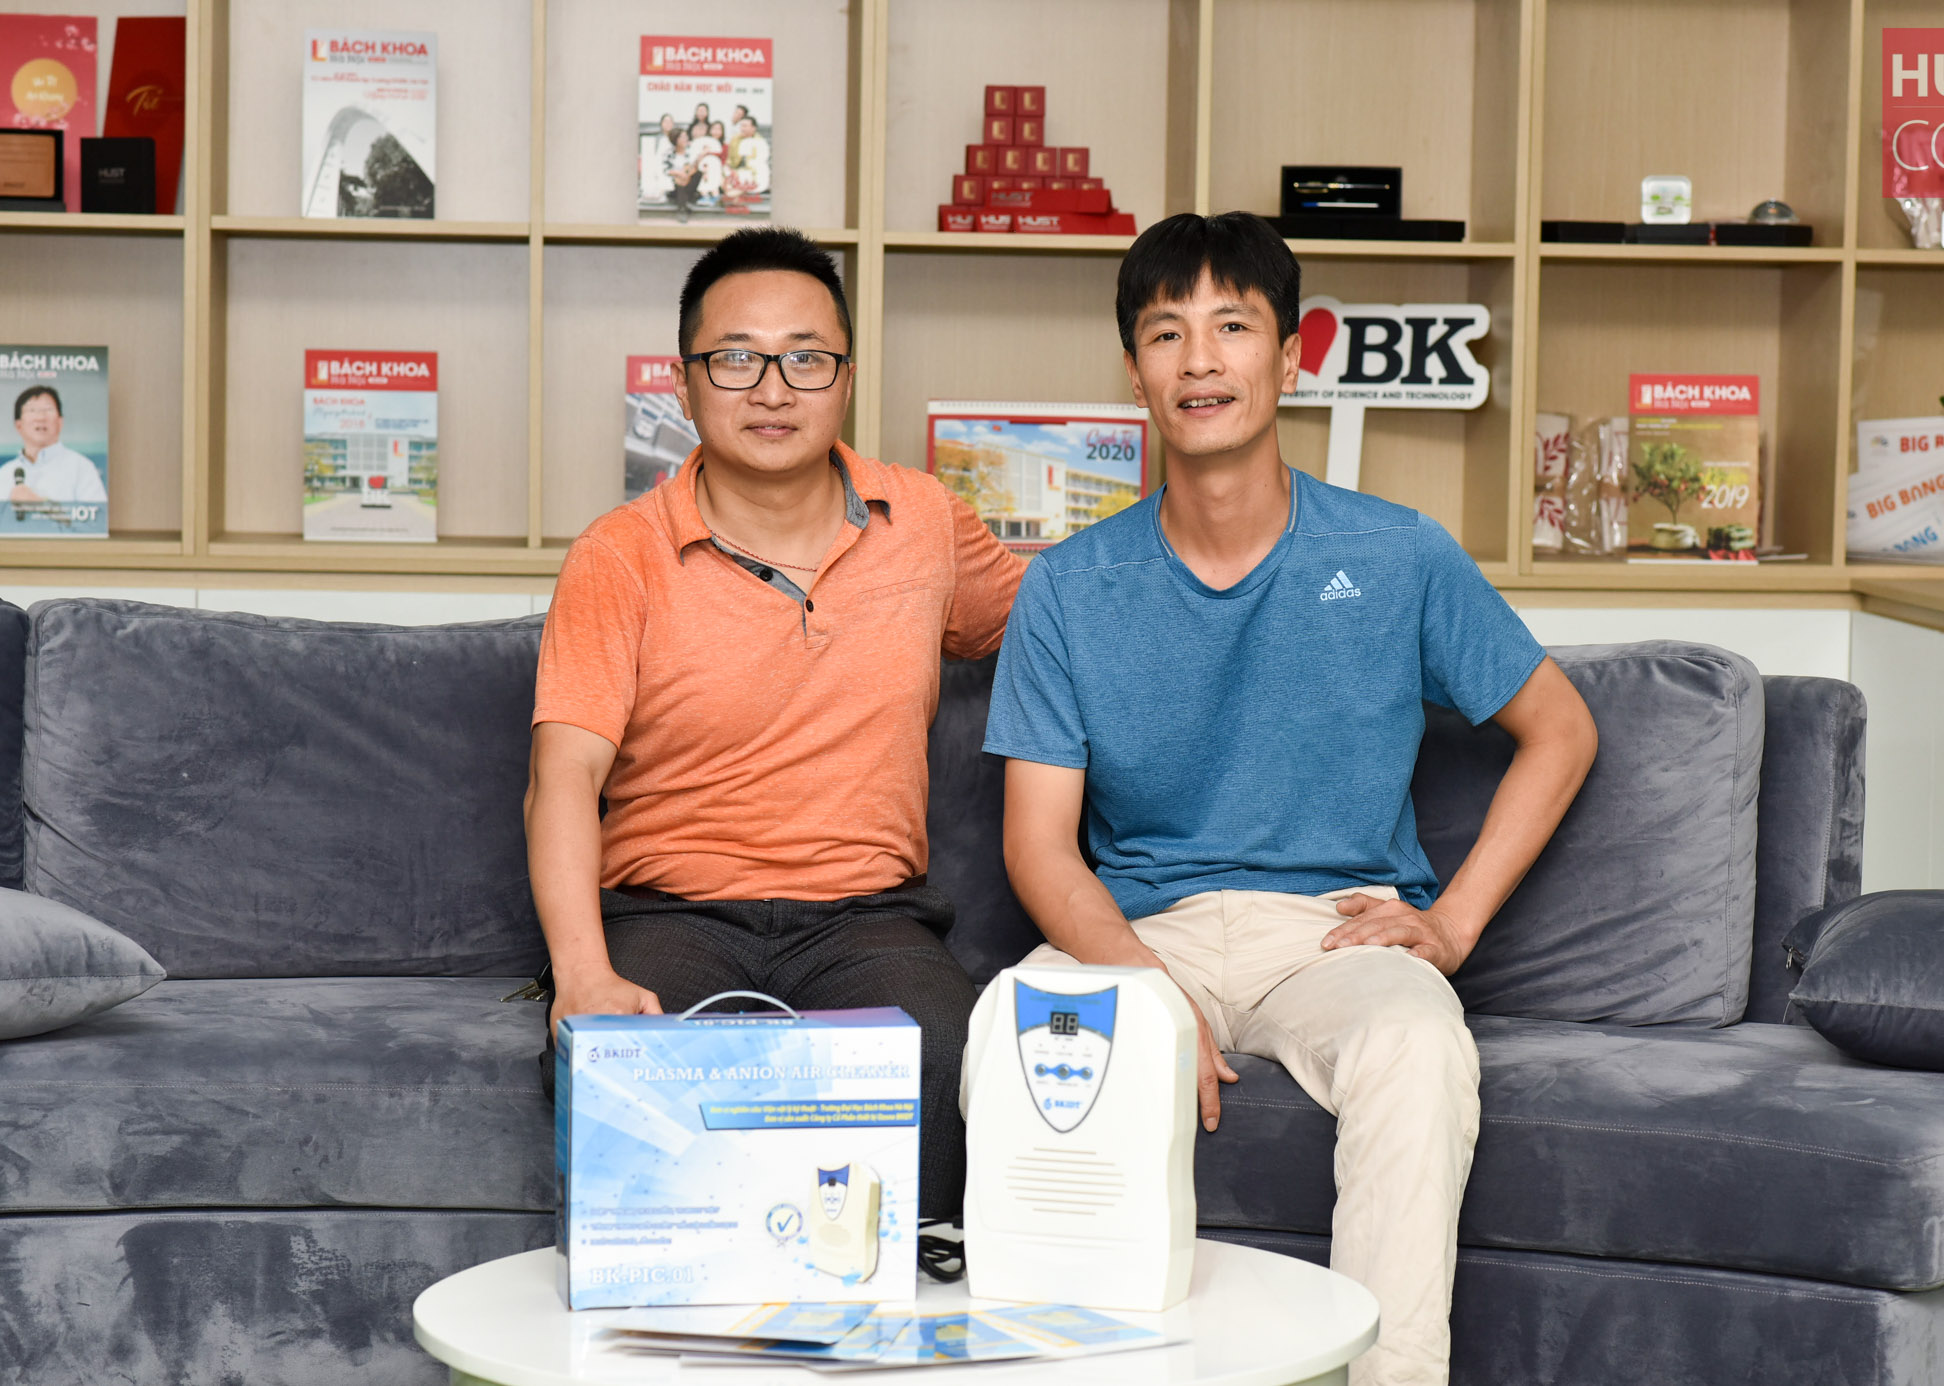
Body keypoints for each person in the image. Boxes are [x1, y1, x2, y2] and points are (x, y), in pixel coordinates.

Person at [983, 211, 1598, 1386]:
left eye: (1232, 327)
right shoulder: (1064, 588)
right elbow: (1039, 847)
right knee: (1004, 1032)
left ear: (1291, 357)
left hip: (1330, 934)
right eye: (1166, 333)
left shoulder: (1398, 553)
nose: (1199, 360)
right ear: (1134, 373)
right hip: (1139, 933)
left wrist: (1452, 924)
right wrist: (1144, 988)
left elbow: (1560, 730)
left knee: (1417, 1042)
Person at [526, 227, 1027, 1232]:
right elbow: (562, 778)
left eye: (805, 358)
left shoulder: (924, 522)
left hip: (867, 919)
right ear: (684, 383)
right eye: (736, 359)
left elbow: (1076, 630)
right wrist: (582, 973)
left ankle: (892, 1316)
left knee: (952, 1064)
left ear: (845, 379)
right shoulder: (618, 556)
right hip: (668, 916)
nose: (772, 389)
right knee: (631, 1071)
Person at [7, 386, 107, 506]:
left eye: (48, 410)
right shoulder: (4, 474)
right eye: (32, 410)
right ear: (19, 425)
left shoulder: (81, 468)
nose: (40, 418)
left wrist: (39, 504)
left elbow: (96, 516)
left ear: (60, 422)